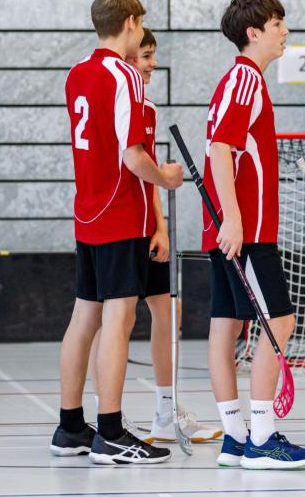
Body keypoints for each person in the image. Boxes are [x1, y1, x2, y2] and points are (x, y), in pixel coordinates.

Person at [51, 0, 183, 465]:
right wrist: (165, 176)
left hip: (88, 211)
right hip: (121, 212)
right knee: (118, 320)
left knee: (83, 318)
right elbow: (132, 156)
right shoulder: (123, 75)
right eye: (141, 23)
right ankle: (110, 432)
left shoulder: (76, 73)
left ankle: (70, 427)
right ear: (130, 22)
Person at [87, 28, 222, 444]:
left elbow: (147, 173)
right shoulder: (118, 92)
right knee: (110, 319)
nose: (152, 63)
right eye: (145, 55)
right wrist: (163, 179)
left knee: (167, 311)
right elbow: (136, 165)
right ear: (128, 54)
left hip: (145, 225)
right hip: (117, 226)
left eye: (153, 55)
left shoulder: (145, 105)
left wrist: (160, 226)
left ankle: (166, 410)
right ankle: (107, 415)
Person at [203, 0, 305, 470]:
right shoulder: (245, 79)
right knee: (280, 323)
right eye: (277, 23)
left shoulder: (239, 80)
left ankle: (235, 437)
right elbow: (219, 148)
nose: (284, 31)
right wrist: (233, 219)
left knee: (226, 326)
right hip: (245, 231)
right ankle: (262, 437)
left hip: (233, 229)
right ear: (253, 33)